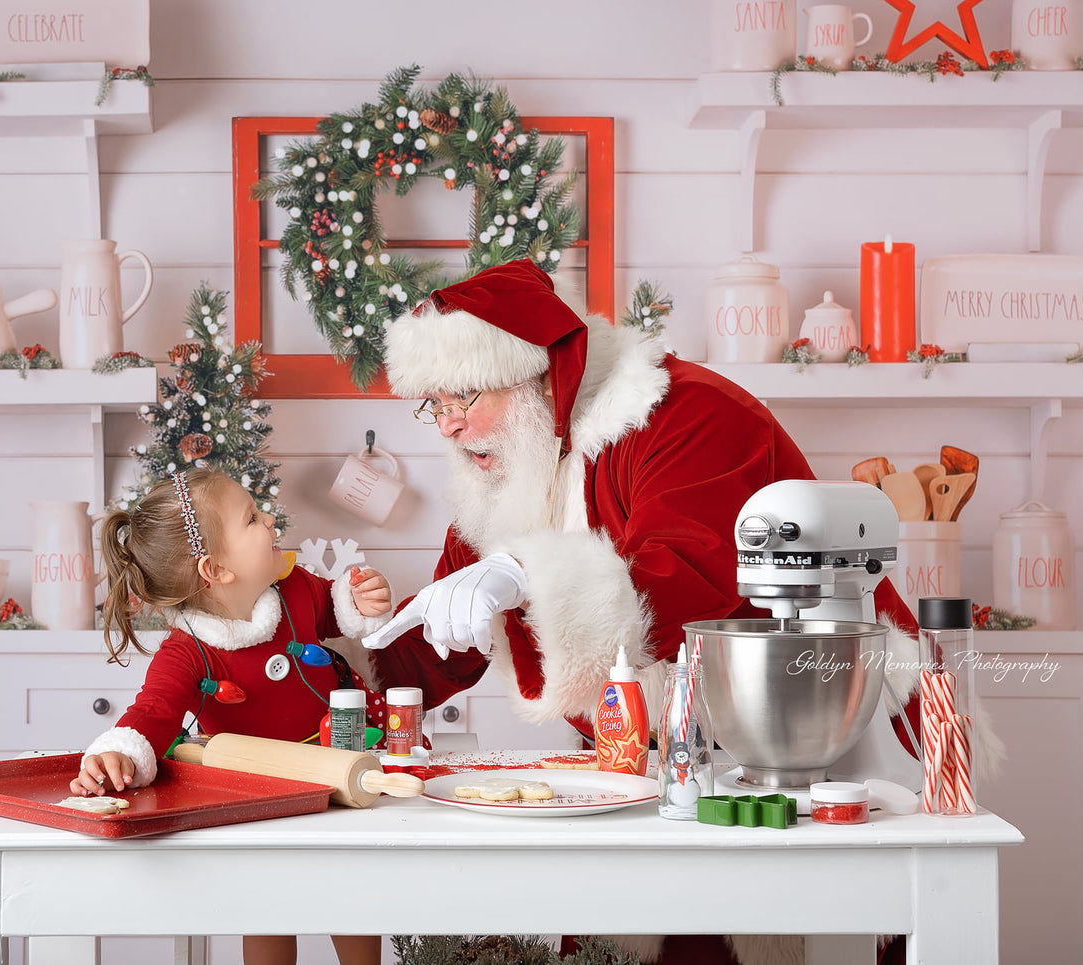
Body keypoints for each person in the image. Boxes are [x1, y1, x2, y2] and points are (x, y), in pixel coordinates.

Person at [357, 258, 921, 965]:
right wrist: (345, 655)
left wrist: (524, 572)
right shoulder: (516, 457)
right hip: (654, 759)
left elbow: (685, 578)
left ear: (540, 375)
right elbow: (453, 622)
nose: (447, 426)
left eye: (463, 396)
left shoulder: (688, 412)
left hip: (817, 726)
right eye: (431, 403)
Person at [71, 467, 392, 965]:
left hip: (337, 781)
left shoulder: (295, 587)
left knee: (351, 902)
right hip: (254, 806)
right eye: (252, 517)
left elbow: (334, 606)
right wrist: (118, 750)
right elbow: (151, 714)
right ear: (216, 570)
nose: (269, 519)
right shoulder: (187, 653)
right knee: (266, 911)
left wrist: (358, 598)